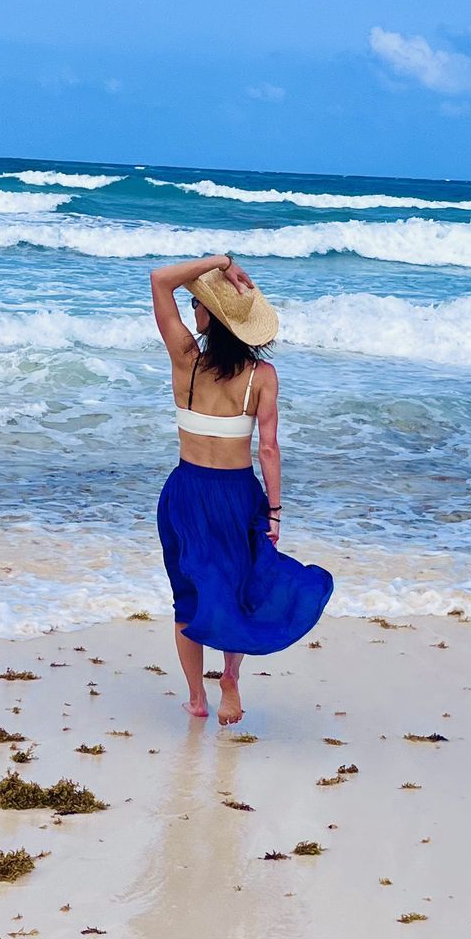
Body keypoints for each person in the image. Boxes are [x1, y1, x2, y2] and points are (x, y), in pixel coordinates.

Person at [149, 252, 334, 725]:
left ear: (211, 318)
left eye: (198, 306)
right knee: (240, 589)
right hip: (237, 495)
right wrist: (274, 512)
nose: (193, 311)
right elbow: (268, 450)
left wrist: (220, 261)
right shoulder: (262, 378)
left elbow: (160, 279)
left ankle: (196, 698)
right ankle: (230, 676)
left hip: (186, 493)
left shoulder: (184, 359)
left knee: (187, 597)